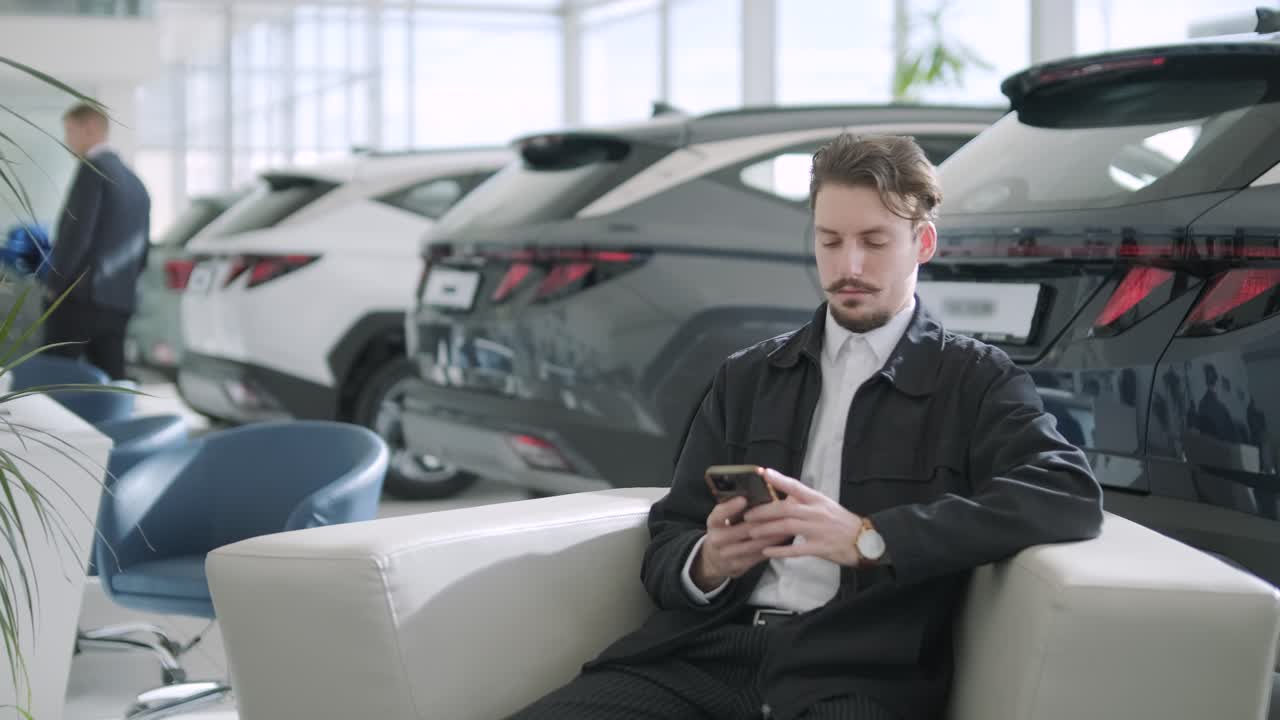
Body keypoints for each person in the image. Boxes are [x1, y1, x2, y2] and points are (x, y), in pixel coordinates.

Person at [509, 133, 1104, 720]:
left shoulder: (975, 380)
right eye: (830, 241)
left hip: (849, 677)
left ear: (922, 243)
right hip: (698, 656)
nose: (848, 266)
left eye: (874, 242)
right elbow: (671, 534)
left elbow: (1066, 495)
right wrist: (709, 561)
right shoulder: (747, 376)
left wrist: (871, 538)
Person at [43, 102, 151, 380]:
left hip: (80, 300)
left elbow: (76, 235)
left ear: (90, 128)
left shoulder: (93, 169)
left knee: (51, 378)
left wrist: (55, 285)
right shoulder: (136, 183)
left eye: (69, 130)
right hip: (119, 302)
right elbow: (141, 253)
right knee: (111, 381)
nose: (67, 139)